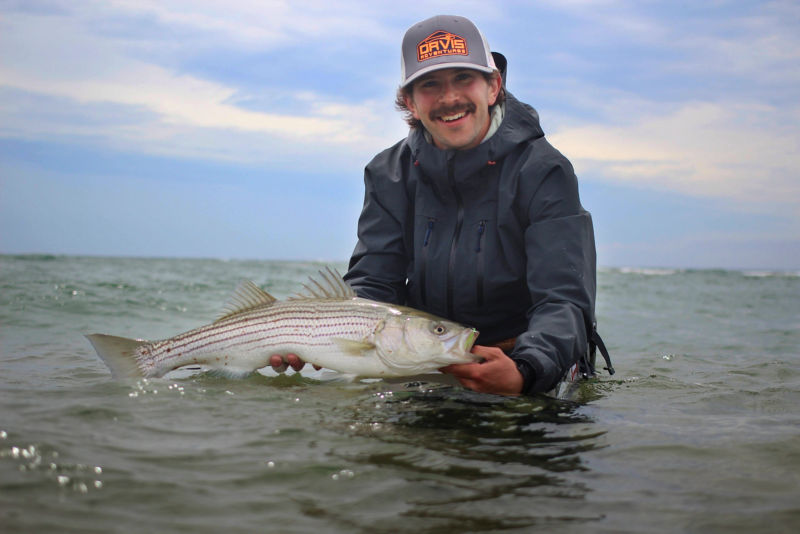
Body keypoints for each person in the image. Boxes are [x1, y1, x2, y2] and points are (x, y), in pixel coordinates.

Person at [271, 14, 612, 395]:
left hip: (527, 367)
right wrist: (318, 336)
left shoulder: (545, 171)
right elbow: (375, 281)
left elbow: (564, 299)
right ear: (410, 103)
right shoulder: (388, 172)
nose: (449, 98)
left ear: (493, 86)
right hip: (425, 360)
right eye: (430, 85)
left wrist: (526, 370)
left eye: (464, 79)